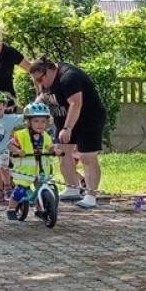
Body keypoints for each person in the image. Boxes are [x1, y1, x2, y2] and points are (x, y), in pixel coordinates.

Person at [27, 57, 104, 209]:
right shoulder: (45, 81)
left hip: (87, 118)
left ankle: (91, 195)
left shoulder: (69, 77)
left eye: (41, 79)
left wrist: (68, 128)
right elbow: (43, 96)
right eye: (36, 81)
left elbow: (76, 103)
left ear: (49, 71)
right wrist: (32, 109)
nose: (40, 83)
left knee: (86, 156)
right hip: (63, 117)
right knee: (62, 152)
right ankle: (72, 188)